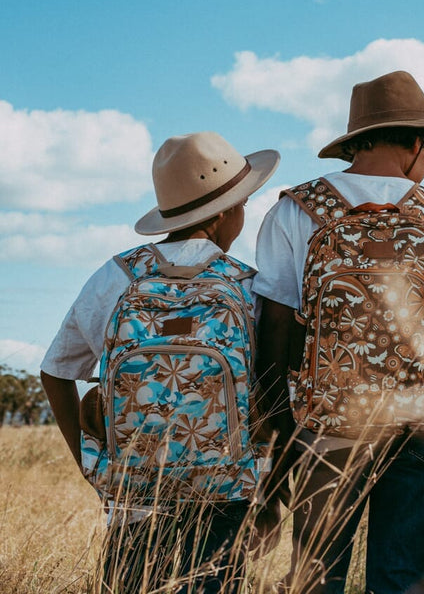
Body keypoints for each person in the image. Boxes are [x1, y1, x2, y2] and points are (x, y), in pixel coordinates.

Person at [252, 70, 424, 593]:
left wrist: (276, 438)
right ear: (416, 143)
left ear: (354, 143)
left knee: (316, 577)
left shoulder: (295, 212)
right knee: (404, 578)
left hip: (328, 426)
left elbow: (271, 332)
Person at [40, 131, 280, 593]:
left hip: (132, 498)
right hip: (225, 496)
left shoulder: (117, 275)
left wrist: (91, 464)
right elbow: (268, 394)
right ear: (227, 212)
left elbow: (56, 371)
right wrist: (266, 490)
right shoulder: (247, 286)